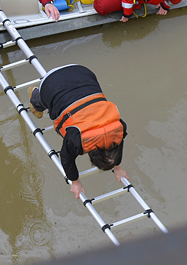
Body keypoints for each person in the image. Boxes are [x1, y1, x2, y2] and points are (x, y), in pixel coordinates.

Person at [28, 64, 128, 199]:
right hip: (51, 82)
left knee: (72, 98)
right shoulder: (77, 140)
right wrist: (75, 182)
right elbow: (66, 159)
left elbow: (119, 143)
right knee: (45, 103)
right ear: (91, 155)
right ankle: (35, 96)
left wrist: (117, 167)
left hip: (82, 72)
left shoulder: (119, 128)